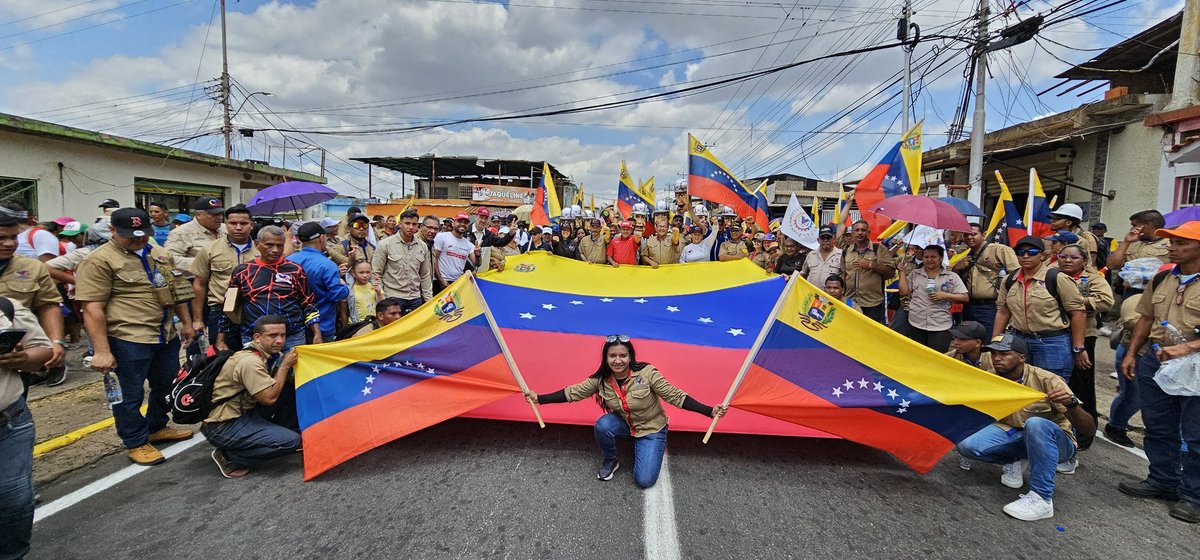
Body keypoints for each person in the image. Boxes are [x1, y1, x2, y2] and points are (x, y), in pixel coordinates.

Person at [75, 208, 196, 466]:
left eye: (143, 235)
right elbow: (92, 308)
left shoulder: (159, 254)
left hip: (164, 335)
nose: (139, 240)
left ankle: (156, 427)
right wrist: (101, 351)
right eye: (131, 236)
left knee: (167, 386)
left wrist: (186, 323)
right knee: (129, 395)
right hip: (127, 338)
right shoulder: (99, 261)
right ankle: (136, 441)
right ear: (112, 231)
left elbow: (177, 292)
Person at [523, 336, 726, 488]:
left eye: (623, 355)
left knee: (644, 481)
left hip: (651, 429)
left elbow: (676, 396)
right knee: (603, 425)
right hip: (625, 424)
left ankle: (651, 443)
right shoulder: (600, 379)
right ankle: (611, 460)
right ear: (606, 358)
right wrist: (539, 399)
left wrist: (710, 411)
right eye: (612, 355)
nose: (617, 360)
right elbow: (572, 393)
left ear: (630, 357)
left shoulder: (647, 374)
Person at [956, 333, 1095, 521]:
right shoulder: (990, 378)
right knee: (966, 445)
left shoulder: (1047, 380)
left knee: (1036, 424)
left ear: (1022, 357)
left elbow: (1088, 430)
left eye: (1004, 354)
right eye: (994, 354)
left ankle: (1042, 498)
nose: (997, 359)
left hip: (1056, 443)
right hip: (1013, 434)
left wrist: (1072, 405)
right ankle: (1015, 459)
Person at [1118, 220, 1200, 523]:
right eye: (1171, 242)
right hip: (1155, 359)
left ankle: (1193, 496)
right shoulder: (1163, 276)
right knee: (1158, 424)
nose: (1172, 248)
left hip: (1194, 367)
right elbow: (1145, 318)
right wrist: (1131, 353)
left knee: (1195, 435)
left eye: (1181, 243)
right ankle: (1162, 480)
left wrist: (1186, 349)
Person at [202, 315, 302, 479]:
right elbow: (269, 398)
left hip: (243, 413)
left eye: (283, 335)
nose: (279, 341)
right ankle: (231, 458)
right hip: (223, 425)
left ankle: (274, 435)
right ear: (257, 337)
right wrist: (284, 366)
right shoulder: (250, 361)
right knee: (290, 441)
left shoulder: (261, 353)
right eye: (272, 336)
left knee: (288, 390)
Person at [993, 236, 1088, 381]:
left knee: (1052, 389)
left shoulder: (1057, 278)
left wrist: (1078, 347)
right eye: (1020, 252)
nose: (1025, 256)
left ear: (1043, 255)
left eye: (1032, 252)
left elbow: (1078, 313)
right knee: (1019, 385)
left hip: (1052, 342)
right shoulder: (1009, 280)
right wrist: (996, 342)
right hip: (1018, 340)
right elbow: (1003, 311)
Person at [0, 297, 52, 560]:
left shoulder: (5, 307)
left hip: (9, 424)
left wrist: (21, 357)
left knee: (15, 503)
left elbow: (42, 353)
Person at [220, 225, 320, 353]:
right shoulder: (242, 271)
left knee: (292, 371)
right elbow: (228, 305)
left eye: (280, 245)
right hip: (254, 336)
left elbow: (309, 302)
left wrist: (316, 333)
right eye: (269, 245)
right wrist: (221, 339)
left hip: (292, 335)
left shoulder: (295, 270)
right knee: (255, 371)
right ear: (257, 244)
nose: (275, 250)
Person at [0, 210, 68, 387]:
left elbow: (48, 305)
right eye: (1, 238)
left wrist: (56, 342)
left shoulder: (32, 267)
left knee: (15, 404)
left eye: (14, 237)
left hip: (17, 357)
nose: (9, 244)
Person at [1056, 243, 1113, 429]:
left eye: (1074, 257)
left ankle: (1086, 429)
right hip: (1056, 333)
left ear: (1084, 261)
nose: (1067, 260)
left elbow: (1105, 301)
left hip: (1084, 335)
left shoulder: (1093, 278)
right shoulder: (1051, 274)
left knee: (1082, 382)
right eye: (1063, 256)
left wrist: (1075, 300)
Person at [190, 205, 258, 352]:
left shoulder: (261, 249)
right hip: (220, 311)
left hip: (255, 310)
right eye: (233, 223)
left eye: (244, 223)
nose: (238, 227)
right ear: (225, 224)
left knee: (254, 356)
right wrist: (197, 319)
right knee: (222, 357)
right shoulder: (210, 249)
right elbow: (199, 284)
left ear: (251, 225)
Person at [897, 245, 968, 352]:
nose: (929, 260)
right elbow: (903, 292)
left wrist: (945, 295)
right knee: (918, 356)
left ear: (941, 258)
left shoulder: (951, 276)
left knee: (938, 358)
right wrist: (901, 272)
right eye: (926, 257)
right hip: (916, 323)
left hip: (940, 325)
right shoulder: (915, 274)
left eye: (933, 257)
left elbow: (964, 297)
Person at [287, 223, 350, 343]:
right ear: (322, 238)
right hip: (323, 325)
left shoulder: (289, 261)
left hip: (294, 326)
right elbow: (337, 294)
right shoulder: (327, 265)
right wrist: (343, 286)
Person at [953, 223, 1019, 336]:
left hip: (990, 306)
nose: (969, 237)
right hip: (969, 306)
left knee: (989, 340)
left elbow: (1016, 274)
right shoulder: (966, 256)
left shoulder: (999, 250)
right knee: (969, 341)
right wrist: (956, 268)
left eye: (973, 234)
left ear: (983, 235)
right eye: (966, 235)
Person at [372, 209, 433, 314]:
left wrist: (429, 300)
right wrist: (381, 299)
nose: (411, 227)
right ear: (400, 224)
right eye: (407, 223)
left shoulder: (422, 246)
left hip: (415, 298)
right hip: (393, 297)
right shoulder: (385, 244)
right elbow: (376, 273)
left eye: (414, 224)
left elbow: (425, 275)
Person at [1105, 293, 1144, 448]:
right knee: (1134, 396)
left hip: (1178, 360)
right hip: (1136, 353)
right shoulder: (1143, 297)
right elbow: (1131, 320)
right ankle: (1116, 426)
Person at [841, 220, 896, 323]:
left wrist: (871, 265)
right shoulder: (846, 252)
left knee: (871, 335)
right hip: (850, 302)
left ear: (868, 233)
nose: (860, 233)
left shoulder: (878, 249)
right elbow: (843, 275)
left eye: (863, 230)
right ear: (852, 233)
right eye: (857, 230)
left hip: (872, 303)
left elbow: (891, 272)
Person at [1107, 210, 1171, 297]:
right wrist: (1126, 242)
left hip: (1157, 292)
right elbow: (1112, 265)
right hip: (1129, 292)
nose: (1131, 229)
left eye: (1134, 225)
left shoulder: (1171, 243)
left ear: (1148, 225)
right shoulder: (1132, 242)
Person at [164, 196, 225, 273]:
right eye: (213, 214)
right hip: (196, 280)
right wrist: (205, 263)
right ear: (198, 215)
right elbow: (170, 259)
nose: (219, 217)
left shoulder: (225, 228)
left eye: (220, 214)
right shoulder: (181, 233)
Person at [432, 213, 478, 290]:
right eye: (460, 221)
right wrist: (440, 279)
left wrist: (478, 255)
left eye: (465, 222)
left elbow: (477, 263)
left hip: (457, 284)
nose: (462, 224)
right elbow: (434, 258)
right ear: (453, 223)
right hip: (439, 282)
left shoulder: (469, 245)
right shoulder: (441, 237)